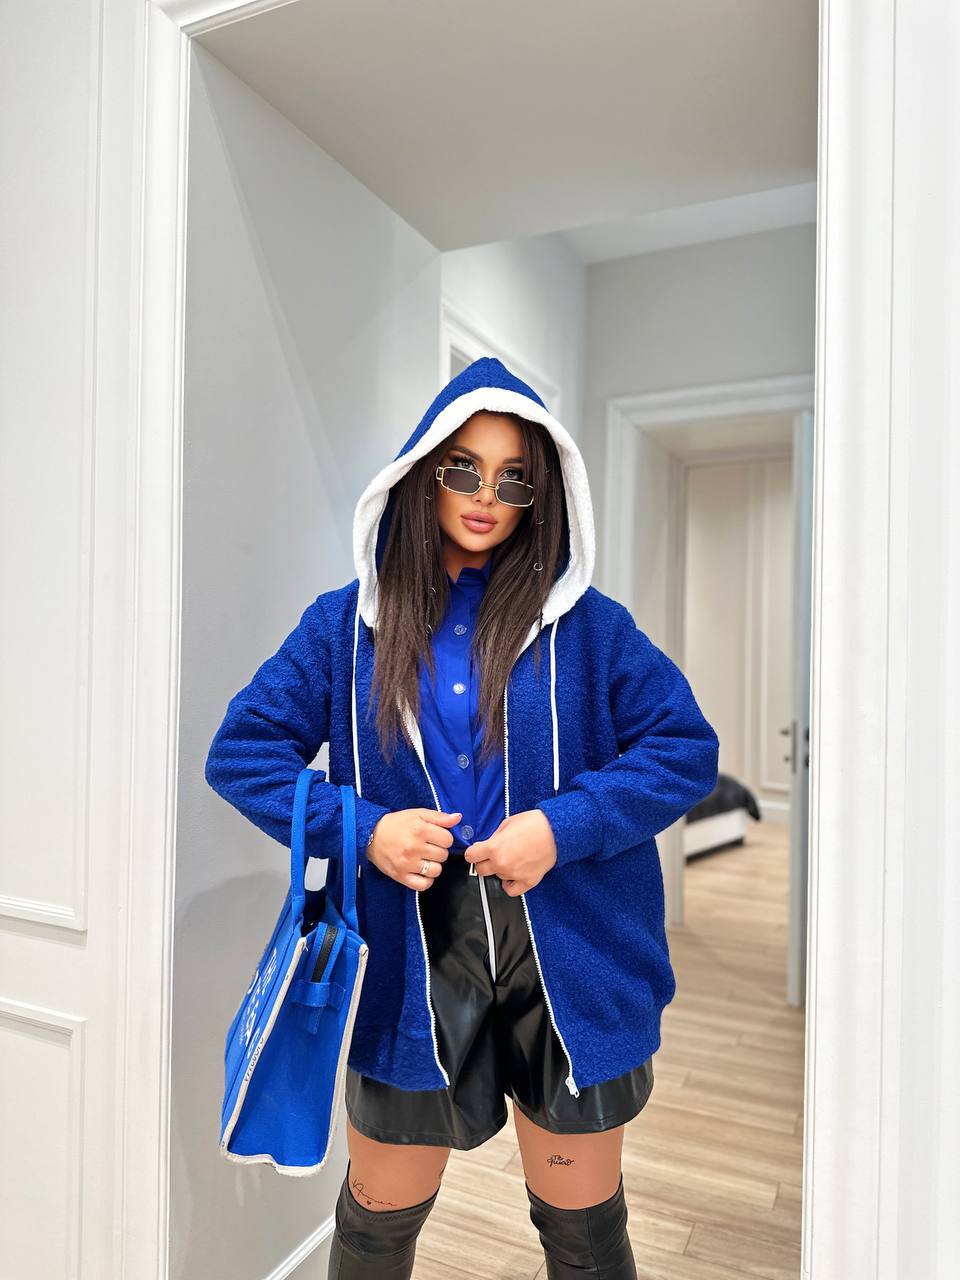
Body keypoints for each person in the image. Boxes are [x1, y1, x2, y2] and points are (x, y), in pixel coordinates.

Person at [205, 356, 720, 1278]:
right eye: (465, 470)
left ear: (540, 496)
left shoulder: (589, 628)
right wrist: (366, 829)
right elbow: (241, 754)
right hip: (412, 951)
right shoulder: (342, 628)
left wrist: (561, 827)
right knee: (378, 1219)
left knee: (582, 1226)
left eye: (514, 479)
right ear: (423, 474)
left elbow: (684, 748)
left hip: (567, 942)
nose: (487, 496)